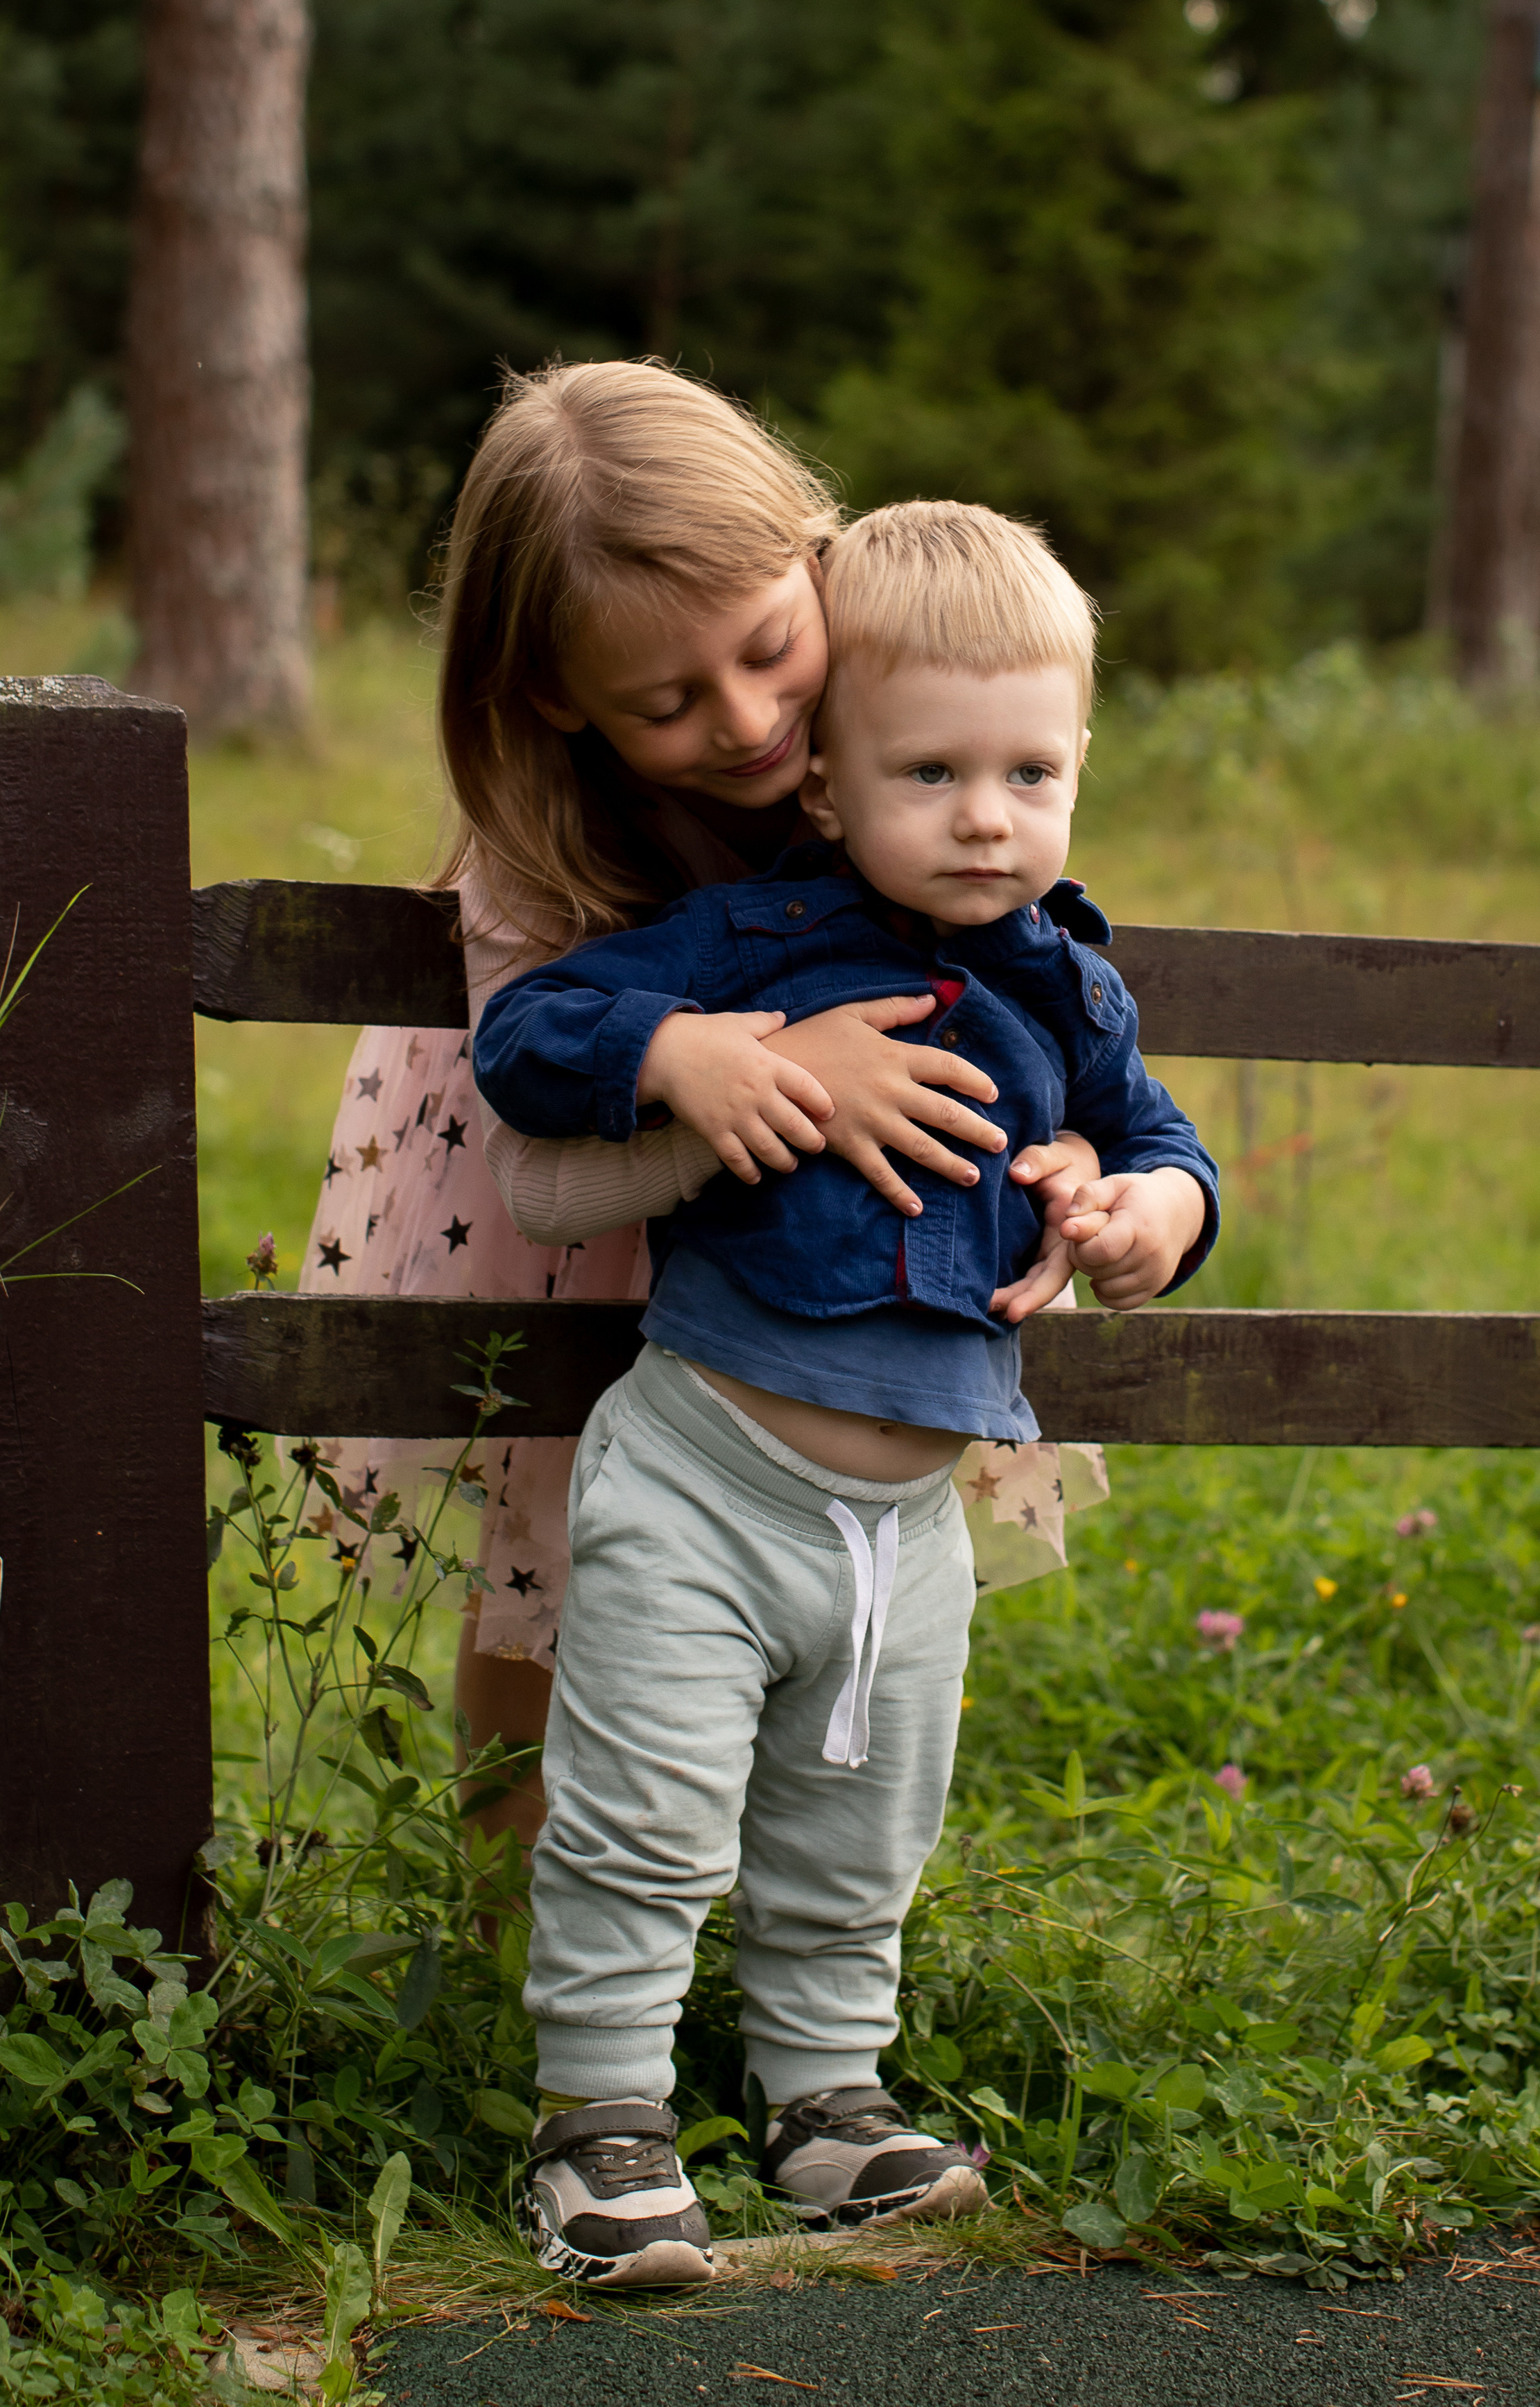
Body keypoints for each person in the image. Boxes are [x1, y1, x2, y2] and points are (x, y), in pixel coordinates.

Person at [474, 499, 1220, 2288]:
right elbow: (524, 1042)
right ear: (826, 785)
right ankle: (597, 2129)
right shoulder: (749, 943)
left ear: (1078, 770)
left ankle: (824, 2103)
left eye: (1029, 773)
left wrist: (1142, 1213)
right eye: (931, 773)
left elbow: (1164, 1148)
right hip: (709, 1469)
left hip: (910, 1517)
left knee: (861, 1822)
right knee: (644, 1809)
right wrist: (677, 1050)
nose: (986, 817)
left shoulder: (1069, 984)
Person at [296, 365, 1105, 1851]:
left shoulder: (902, 716)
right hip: (574, 1214)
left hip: (829, 1261)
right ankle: (517, 1926)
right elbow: (534, 1148)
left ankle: (767, 1926)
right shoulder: (541, 853)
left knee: (806, 1568)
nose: (744, 722)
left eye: (769, 652)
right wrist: (700, 1062)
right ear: (554, 697)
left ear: (815, 556)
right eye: (665, 703)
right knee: (551, 1570)